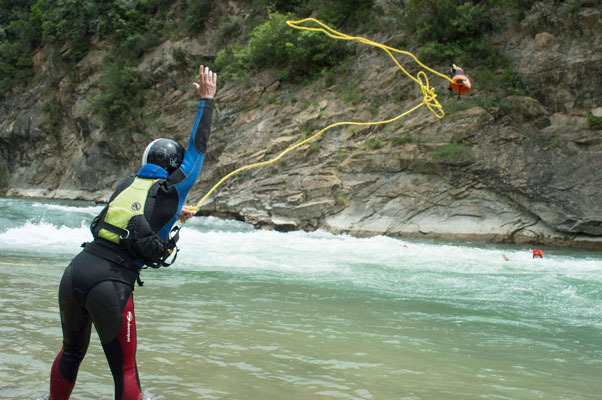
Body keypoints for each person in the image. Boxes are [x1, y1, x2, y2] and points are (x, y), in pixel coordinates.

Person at [48, 65, 217, 400]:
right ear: (173, 168)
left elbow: (133, 218)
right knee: (124, 372)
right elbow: (197, 150)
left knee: (71, 352)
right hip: (109, 284)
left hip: (75, 272)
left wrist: (175, 214)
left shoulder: (126, 185)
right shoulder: (174, 187)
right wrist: (207, 101)